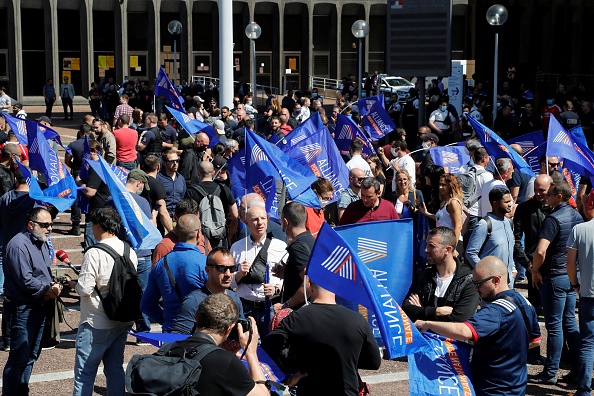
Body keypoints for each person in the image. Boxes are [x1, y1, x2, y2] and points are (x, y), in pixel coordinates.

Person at [415, 256, 541, 396]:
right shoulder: (524, 302)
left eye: (479, 284)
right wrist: (506, 351)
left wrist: (427, 323)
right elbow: (535, 340)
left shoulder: (496, 311)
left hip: (493, 389)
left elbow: (464, 331)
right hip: (516, 386)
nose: (475, 289)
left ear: (496, 281)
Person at [63, 207, 137, 396]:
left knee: (84, 374)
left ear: (98, 225)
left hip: (96, 321)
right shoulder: (129, 250)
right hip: (122, 319)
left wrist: (74, 285)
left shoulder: (94, 252)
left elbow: (85, 288)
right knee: (114, 369)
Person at [263, 281, 381, 395]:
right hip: (347, 390)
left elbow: (268, 349)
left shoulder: (296, 318)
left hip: (309, 390)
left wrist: (292, 374)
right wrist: (346, 358)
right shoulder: (358, 320)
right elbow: (374, 363)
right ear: (336, 288)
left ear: (311, 287)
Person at [2, 207, 62, 395]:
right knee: (18, 358)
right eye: (45, 225)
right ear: (31, 224)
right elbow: (25, 279)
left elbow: (41, 272)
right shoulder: (18, 245)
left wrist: (51, 284)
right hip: (22, 308)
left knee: (31, 355)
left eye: (51, 224)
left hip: (39, 305)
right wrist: (48, 290)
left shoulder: (41, 242)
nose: (49, 228)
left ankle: (22, 391)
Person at [159, 294, 270, 395]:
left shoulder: (167, 349)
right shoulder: (226, 362)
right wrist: (251, 353)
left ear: (196, 317)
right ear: (229, 328)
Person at [530, 181, 582, 384]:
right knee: (569, 323)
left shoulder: (552, 219)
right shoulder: (577, 216)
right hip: (570, 275)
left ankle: (550, 372)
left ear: (559, 196)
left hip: (553, 276)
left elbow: (541, 250)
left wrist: (534, 270)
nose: (546, 197)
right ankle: (578, 368)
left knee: (554, 326)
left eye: (550, 194)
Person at [141, 214, 208, 333]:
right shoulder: (205, 264)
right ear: (198, 233)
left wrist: (167, 320)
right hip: (199, 332)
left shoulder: (160, 264)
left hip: (170, 331)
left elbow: (147, 304)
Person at [403, 227, 479, 322]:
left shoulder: (469, 281)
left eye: (432, 246)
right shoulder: (424, 275)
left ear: (447, 249)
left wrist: (422, 314)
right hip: (423, 336)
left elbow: (459, 319)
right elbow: (406, 307)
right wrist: (436, 311)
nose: (426, 250)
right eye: (426, 245)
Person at [230, 205, 285, 334]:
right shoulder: (237, 248)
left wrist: (276, 288)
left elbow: (288, 279)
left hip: (271, 308)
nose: (259, 222)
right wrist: (239, 274)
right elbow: (228, 281)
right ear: (246, 222)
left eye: (263, 218)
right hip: (244, 309)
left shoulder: (281, 247)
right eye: (255, 219)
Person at [172, 247, 244, 334]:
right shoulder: (193, 301)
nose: (228, 274)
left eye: (232, 269)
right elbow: (178, 338)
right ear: (207, 270)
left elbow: (241, 332)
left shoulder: (234, 298)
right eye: (221, 268)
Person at [466, 188, 515, 287]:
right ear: (495, 204)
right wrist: (486, 273)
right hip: (491, 284)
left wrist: (513, 269)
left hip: (508, 282)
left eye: (510, 201)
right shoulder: (484, 224)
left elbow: (510, 250)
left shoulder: (509, 222)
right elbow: (470, 253)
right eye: (506, 202)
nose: (510, 204)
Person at [184, 160, 238, 248]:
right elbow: (235, 214)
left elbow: (187, 216)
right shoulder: (224, 190)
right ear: (213, 172)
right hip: (220, 235)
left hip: (200, 236)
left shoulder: (191, 191)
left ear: (198, 173)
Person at [273, 202, 315, 313]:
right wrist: (287, 272)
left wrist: (286, 305)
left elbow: (309, 283)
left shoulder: (298, 247)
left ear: (285, 222)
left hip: (300, 313)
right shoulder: (311, 240)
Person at [157, 150, 187, 221]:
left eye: (177, 160)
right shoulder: (158, 178)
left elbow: (183, 197)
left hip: (178, 218)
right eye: (172, 161)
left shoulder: (181, 178)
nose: (175, 163)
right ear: (164, 163)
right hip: (163, 218)